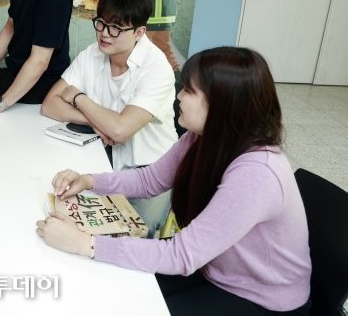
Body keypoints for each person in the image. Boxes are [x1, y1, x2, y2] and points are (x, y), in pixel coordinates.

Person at [36, 47, 311, 316]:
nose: (179, 96)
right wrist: (89, 181)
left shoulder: (258, 172)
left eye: (189, 90)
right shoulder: (201, 138)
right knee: (113, 289)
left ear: (222, 103)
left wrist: (86, 243)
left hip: (259, 299)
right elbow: (149, 180)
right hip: (213, 270)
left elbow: (181, 255)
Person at [40, 0, 177, 235]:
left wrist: (79, 97)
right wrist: (95, 122)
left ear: (139, 32)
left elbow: (120, 130)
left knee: (131, 236)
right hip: (104, 157)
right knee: (58, 210)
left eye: (116, 28)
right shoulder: (92, 54)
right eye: (101, 23)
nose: (104, 33)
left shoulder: (157, 69)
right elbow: (50, 104)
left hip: (151, 170)